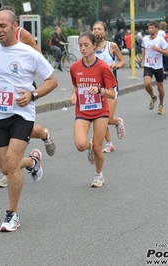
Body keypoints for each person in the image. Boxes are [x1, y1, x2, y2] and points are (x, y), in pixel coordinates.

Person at [0, 10, 58, 232]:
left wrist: (33, 95)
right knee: (6, 167)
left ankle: (12, 214)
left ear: (14, 27)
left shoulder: (28, 53)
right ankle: (32, 162)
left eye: (3, 26)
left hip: (23, 114)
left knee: (12, 163)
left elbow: (52, 80)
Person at [0, 5, 56, 188]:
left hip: (24, 87)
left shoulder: (24, 36)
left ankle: (16, 165)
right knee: (8, 163)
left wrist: (32, 91)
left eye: (2, 24)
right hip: (1, 95)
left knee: (20, 128)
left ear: (13, 24)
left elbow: (38, 55)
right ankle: (31, 158)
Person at [69, 32, 117, 188]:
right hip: (82, 110)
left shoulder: (103, 67)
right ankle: (89, 146)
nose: (83, 48)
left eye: (86, 45)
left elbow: (111, 92)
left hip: (100, 111)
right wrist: (74, 95)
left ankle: (98, 175)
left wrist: (99, 90)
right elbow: (76, 86)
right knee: (80, 145)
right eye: (80, 45)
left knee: (98, 148)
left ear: (94, 46)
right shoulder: (75, 67)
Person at [92, 21, 126, 153]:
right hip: (96, 88)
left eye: (99, 29)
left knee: (108, 118)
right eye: (94, 29)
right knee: (100, 118)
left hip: (111, 87)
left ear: (105, 31)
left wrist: (117, 65)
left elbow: (122, 60)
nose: (96, 31)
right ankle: (109, 143)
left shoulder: (111, 46)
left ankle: (117, 122)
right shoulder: (91, 47)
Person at [138, 20, 168, 115]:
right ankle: (152, 97)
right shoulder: (145, 39)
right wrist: (142, 58)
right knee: (147, 84)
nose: (150, 30)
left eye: (152, 28)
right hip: (148, 65)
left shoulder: (161, 40)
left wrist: (158, 50)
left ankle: (161, 104)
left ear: (156, 29)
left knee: (160, 88)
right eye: (149, 28)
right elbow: (144, 49)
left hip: (158, 67)